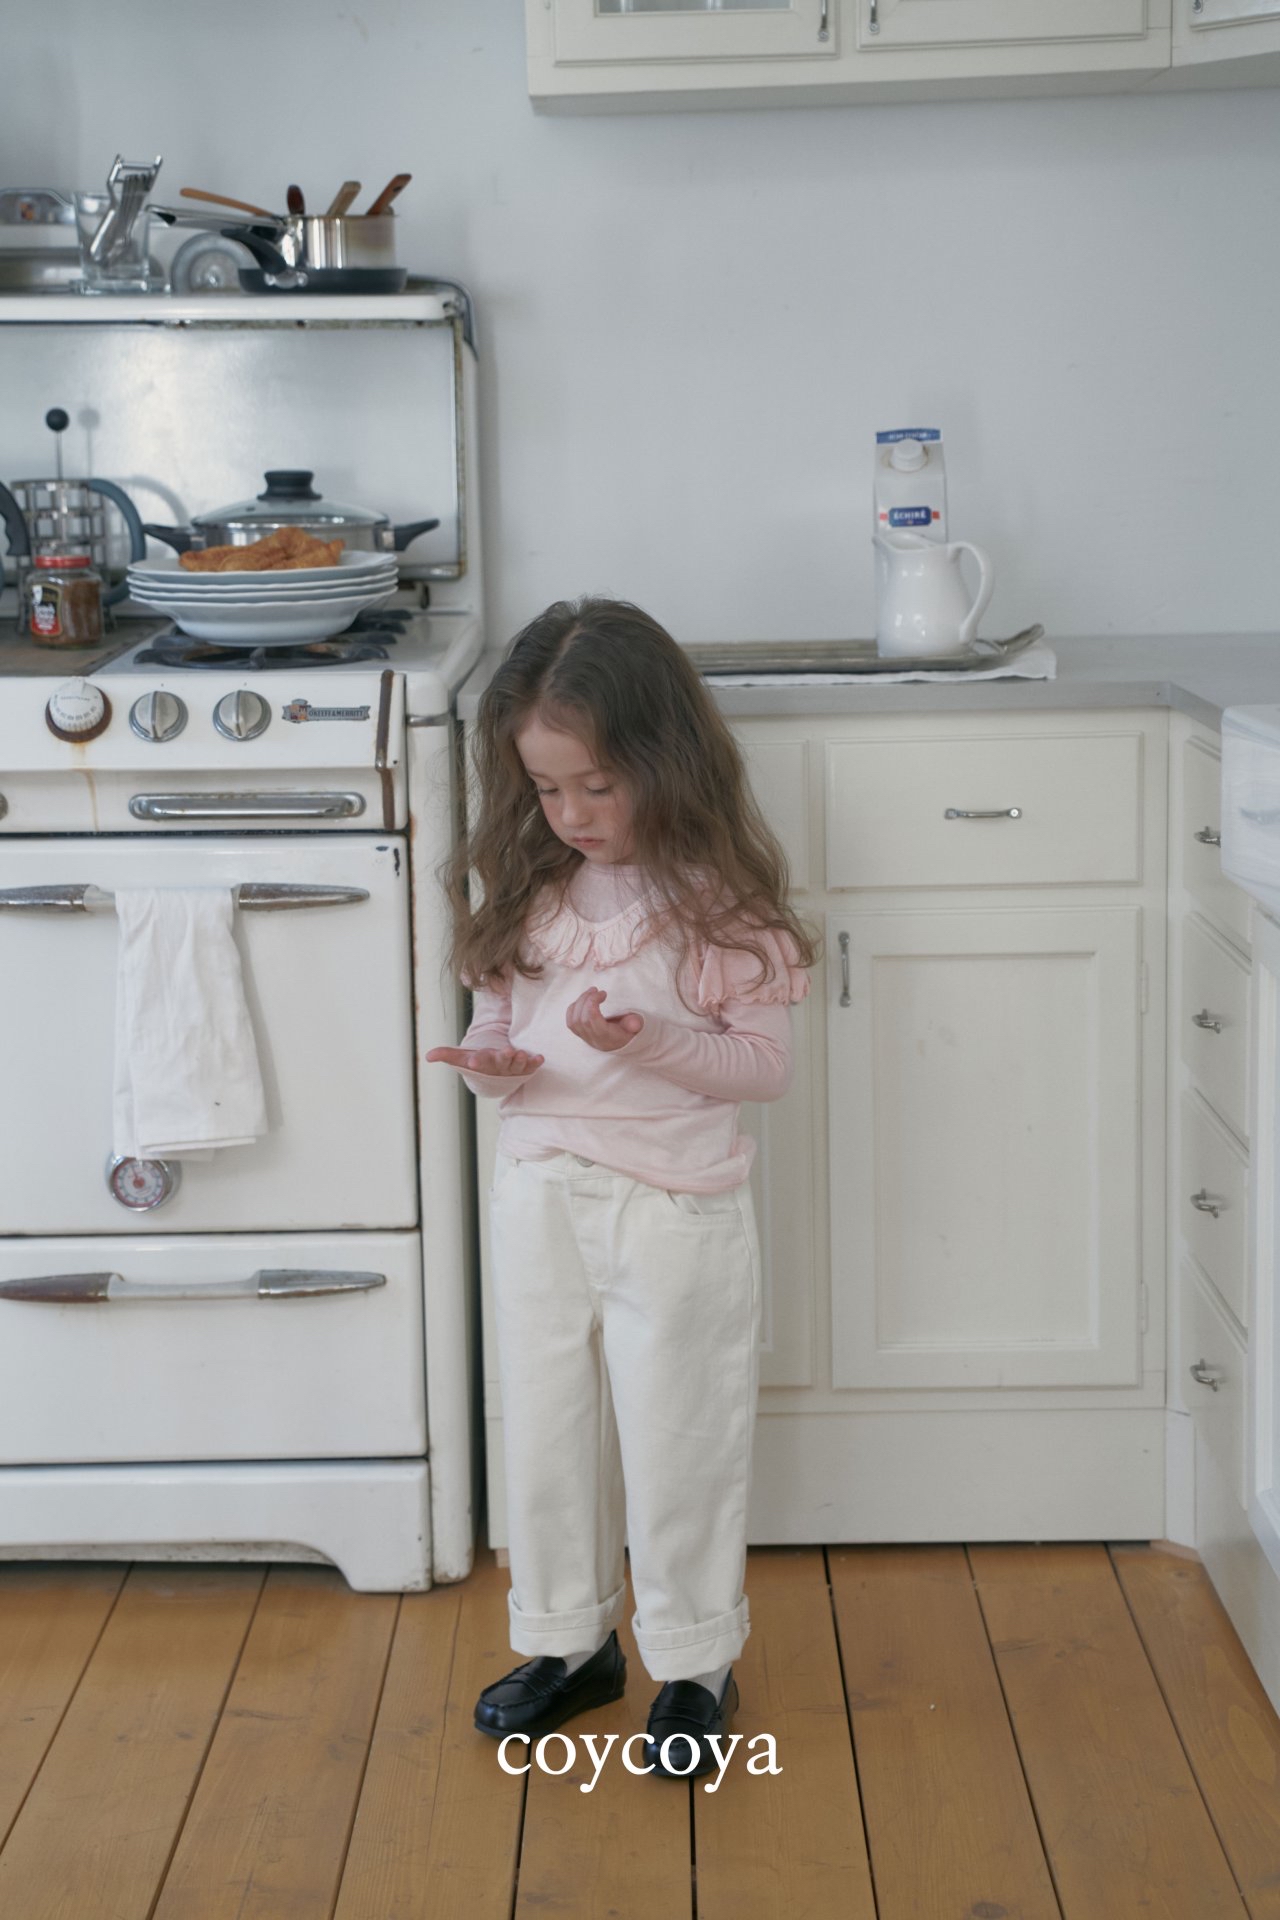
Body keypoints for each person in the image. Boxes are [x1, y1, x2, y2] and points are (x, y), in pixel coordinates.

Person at [428, 596, 819, 1780]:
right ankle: (564, 1641)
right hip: (541, 1190)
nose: (574, 815)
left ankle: (694, 1661)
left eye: (598, 786)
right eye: (548, 790)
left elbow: (760, 1070)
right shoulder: (531, 884)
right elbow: (500, 1011)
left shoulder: (718, 899)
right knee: (543, 1429)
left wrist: (646, 1038)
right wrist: (493, 1062)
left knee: (679, 1433)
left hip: (673, 1207)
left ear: (662, 759)